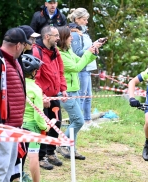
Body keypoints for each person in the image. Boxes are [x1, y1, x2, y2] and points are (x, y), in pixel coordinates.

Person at [0, 27, 30, 182]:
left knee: (9, 163)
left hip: (13, 125)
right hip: (1, 125)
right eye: (24, 45)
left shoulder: (14, 61)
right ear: (19, 45)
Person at [55, 26, 98, 160]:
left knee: (75, 120)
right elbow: (76, 68)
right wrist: (87, 54)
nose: (72, 38)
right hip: (66, 92)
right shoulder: (60, 55)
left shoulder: (68, 50)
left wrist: (91, 52)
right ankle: (62, 143)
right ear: (63, 38)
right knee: (79, 121)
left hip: (75, 90)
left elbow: (80, 61)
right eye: (69, 36)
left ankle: (72, 149)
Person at [33, 25, 68, 170]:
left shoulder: (56, 51)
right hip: (42, 96)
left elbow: (60, 71)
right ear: (47, 36)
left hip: (55, 95)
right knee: (44, 126)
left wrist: (63, 89)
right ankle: (41, 157)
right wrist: (41, 96)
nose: (59, 38)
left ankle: (51, 152)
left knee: (56, 123)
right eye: (56, 36)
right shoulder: (36, 52)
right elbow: (35, 77)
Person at [10, 25, 41, 182]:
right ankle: (14, 176)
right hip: (14, 110)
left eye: (35, 39)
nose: (34, 41)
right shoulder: (15, 57)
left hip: (23, 108)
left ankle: (17, 174)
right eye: (31, 39)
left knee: (20, 145)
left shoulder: (26, 55)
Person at [68, 8, 106, 126]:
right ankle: (79, 122)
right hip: (82, 67)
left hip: (88, 67)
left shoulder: (83, 32)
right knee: (81, 96)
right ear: (77, 20)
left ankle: (87, 120)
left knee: (88, 96)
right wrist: (94, 46)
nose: (86, 22)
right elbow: (78, 52)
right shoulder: (74, 33)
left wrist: (95, 43)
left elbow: (86, 48)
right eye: (84, 20)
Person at [22, 54, 50, 182]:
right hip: (32, 125)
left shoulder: (15, 85)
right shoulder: (36, 89)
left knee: (17, 155)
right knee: (33, 155)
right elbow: (39, 114)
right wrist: (45, 127)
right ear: (34, 72)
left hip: (17, 124)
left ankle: (16, 179)